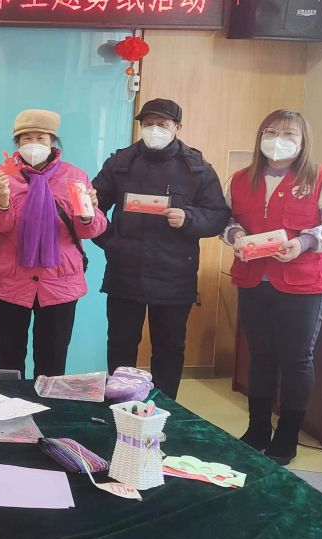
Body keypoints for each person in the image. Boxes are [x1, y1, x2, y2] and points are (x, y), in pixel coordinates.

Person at [91, 98, 229, 399]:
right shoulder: (120, 163)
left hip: (174, 276)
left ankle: (164, 412)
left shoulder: (197, 168)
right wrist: (111, 243)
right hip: (125, 273)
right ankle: (118, 407)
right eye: (148, 123)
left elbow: (218, 216)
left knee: (169, 349)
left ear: (177, 128)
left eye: (162, 124)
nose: (154, 129)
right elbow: (91, 210)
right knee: (120, 345)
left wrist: (189, 218)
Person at [222, 110, 322, 465]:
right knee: (260, 355)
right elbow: (224, 219)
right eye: (270, 132)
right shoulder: (241, 179)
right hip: (253, 279)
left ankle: (287, 438)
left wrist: (303, 243)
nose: (278, 139)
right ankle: (257, 430)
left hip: (304, 284)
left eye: (289, 134)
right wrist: (236, 235)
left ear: (303, 142)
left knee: (296, 359)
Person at [0, 110, 107, 378]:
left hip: (59, 282)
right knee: (9, 363)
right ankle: (10, 404)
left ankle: (48, 404)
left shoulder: (75, 176)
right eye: (26, 138)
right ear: (17, 143)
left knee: (52, 364)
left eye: (40, 138)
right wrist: (2, 200)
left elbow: (91, 230)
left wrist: (88, 213)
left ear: (52, 141)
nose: (33, 144)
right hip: (12, 282)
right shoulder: (2, 175)